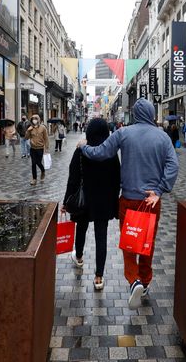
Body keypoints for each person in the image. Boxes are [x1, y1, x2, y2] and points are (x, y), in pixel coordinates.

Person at [78, 98, 179, 310]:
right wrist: (160, 190)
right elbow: (173, 165)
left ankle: (134, 281)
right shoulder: (162, 137)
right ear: (152, 114)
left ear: (134, 114)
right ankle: (146, 281)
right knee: (146, 244)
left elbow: (101, 153)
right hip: (151, 201)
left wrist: (84, 148)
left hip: (129, 199)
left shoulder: (124, 133)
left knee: (130, 242)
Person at [62, 118, 121, 291]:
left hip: (84, 200)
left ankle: (79, 257)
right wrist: (113, 199)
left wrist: (66, 201)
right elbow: (116, 179)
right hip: (103, 202)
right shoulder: (110, 152)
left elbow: (72, 179)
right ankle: (99, 277)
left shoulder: (81, 150)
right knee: (101, 237)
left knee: (81, 228)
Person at [24, 114, 49, 185]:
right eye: (33, 119)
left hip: (40, 148)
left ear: (38, 120)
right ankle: (34, 179)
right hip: (33, 149)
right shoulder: (30, 128)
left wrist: (46, 148)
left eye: (35, 119)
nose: (34, 120)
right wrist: (28, 131)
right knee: (33, 164)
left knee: (38, 162)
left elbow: (46, 138)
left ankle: (43, 171)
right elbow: (26, 138)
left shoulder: (43, 128)